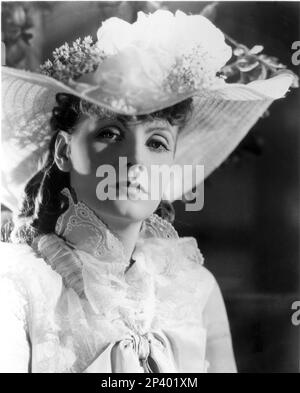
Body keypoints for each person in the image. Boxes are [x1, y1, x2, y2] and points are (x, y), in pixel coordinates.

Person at [0, 9, 297, 373]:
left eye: (156, 142)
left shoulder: (195, 289)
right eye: (109, 134)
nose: (135, 161)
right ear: (65, 151)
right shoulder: (18, 282)